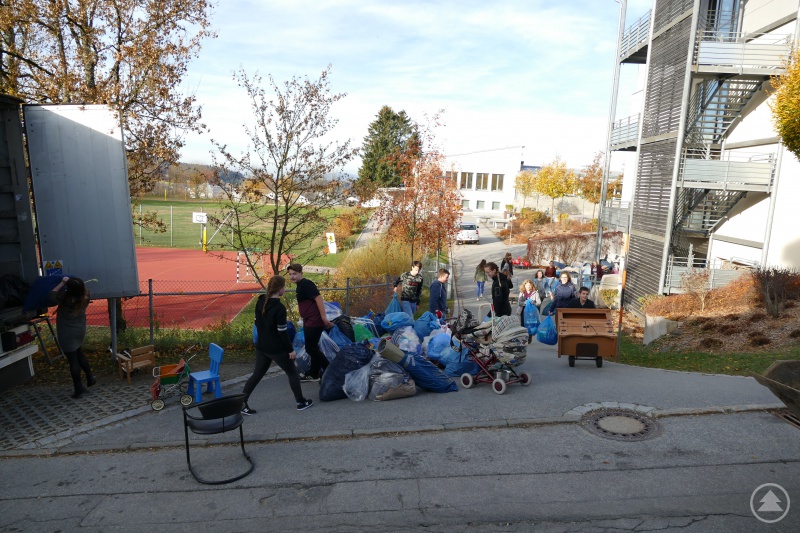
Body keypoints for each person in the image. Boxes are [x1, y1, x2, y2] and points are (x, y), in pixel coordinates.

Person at [241, 275, 313, 414]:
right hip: (276, 348)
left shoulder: (260, 301)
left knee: (257, 374)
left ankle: (242, 404)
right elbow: (282, 332)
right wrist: (290, 350)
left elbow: (257, 323)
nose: (285, 289)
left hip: (262, 346)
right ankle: (301, 402)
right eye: (284, 287)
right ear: (280, 289)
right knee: (292, 373)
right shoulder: (279, 308)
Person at [50, 277, 95, 399]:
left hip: (67, 332)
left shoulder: (65, 299)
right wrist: (75, 284)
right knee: (79, 353)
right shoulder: (85, 296)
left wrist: (63, 282)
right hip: (79, 330)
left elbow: (52, 294)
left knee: (73, 360)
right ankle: (90, 377)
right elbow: (81, 288)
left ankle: (78, 387)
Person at [287, 263, 332, 382]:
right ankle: (314, 373)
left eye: (295, 274)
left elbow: (318, 298)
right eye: (290, 274)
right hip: (308, 321)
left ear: (301, 273)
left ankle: (329, 371)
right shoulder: (299, 286)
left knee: (311, 348)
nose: (292, 277)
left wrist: (323, 317)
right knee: (312, 348)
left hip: (314, 321)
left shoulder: (306, 284)